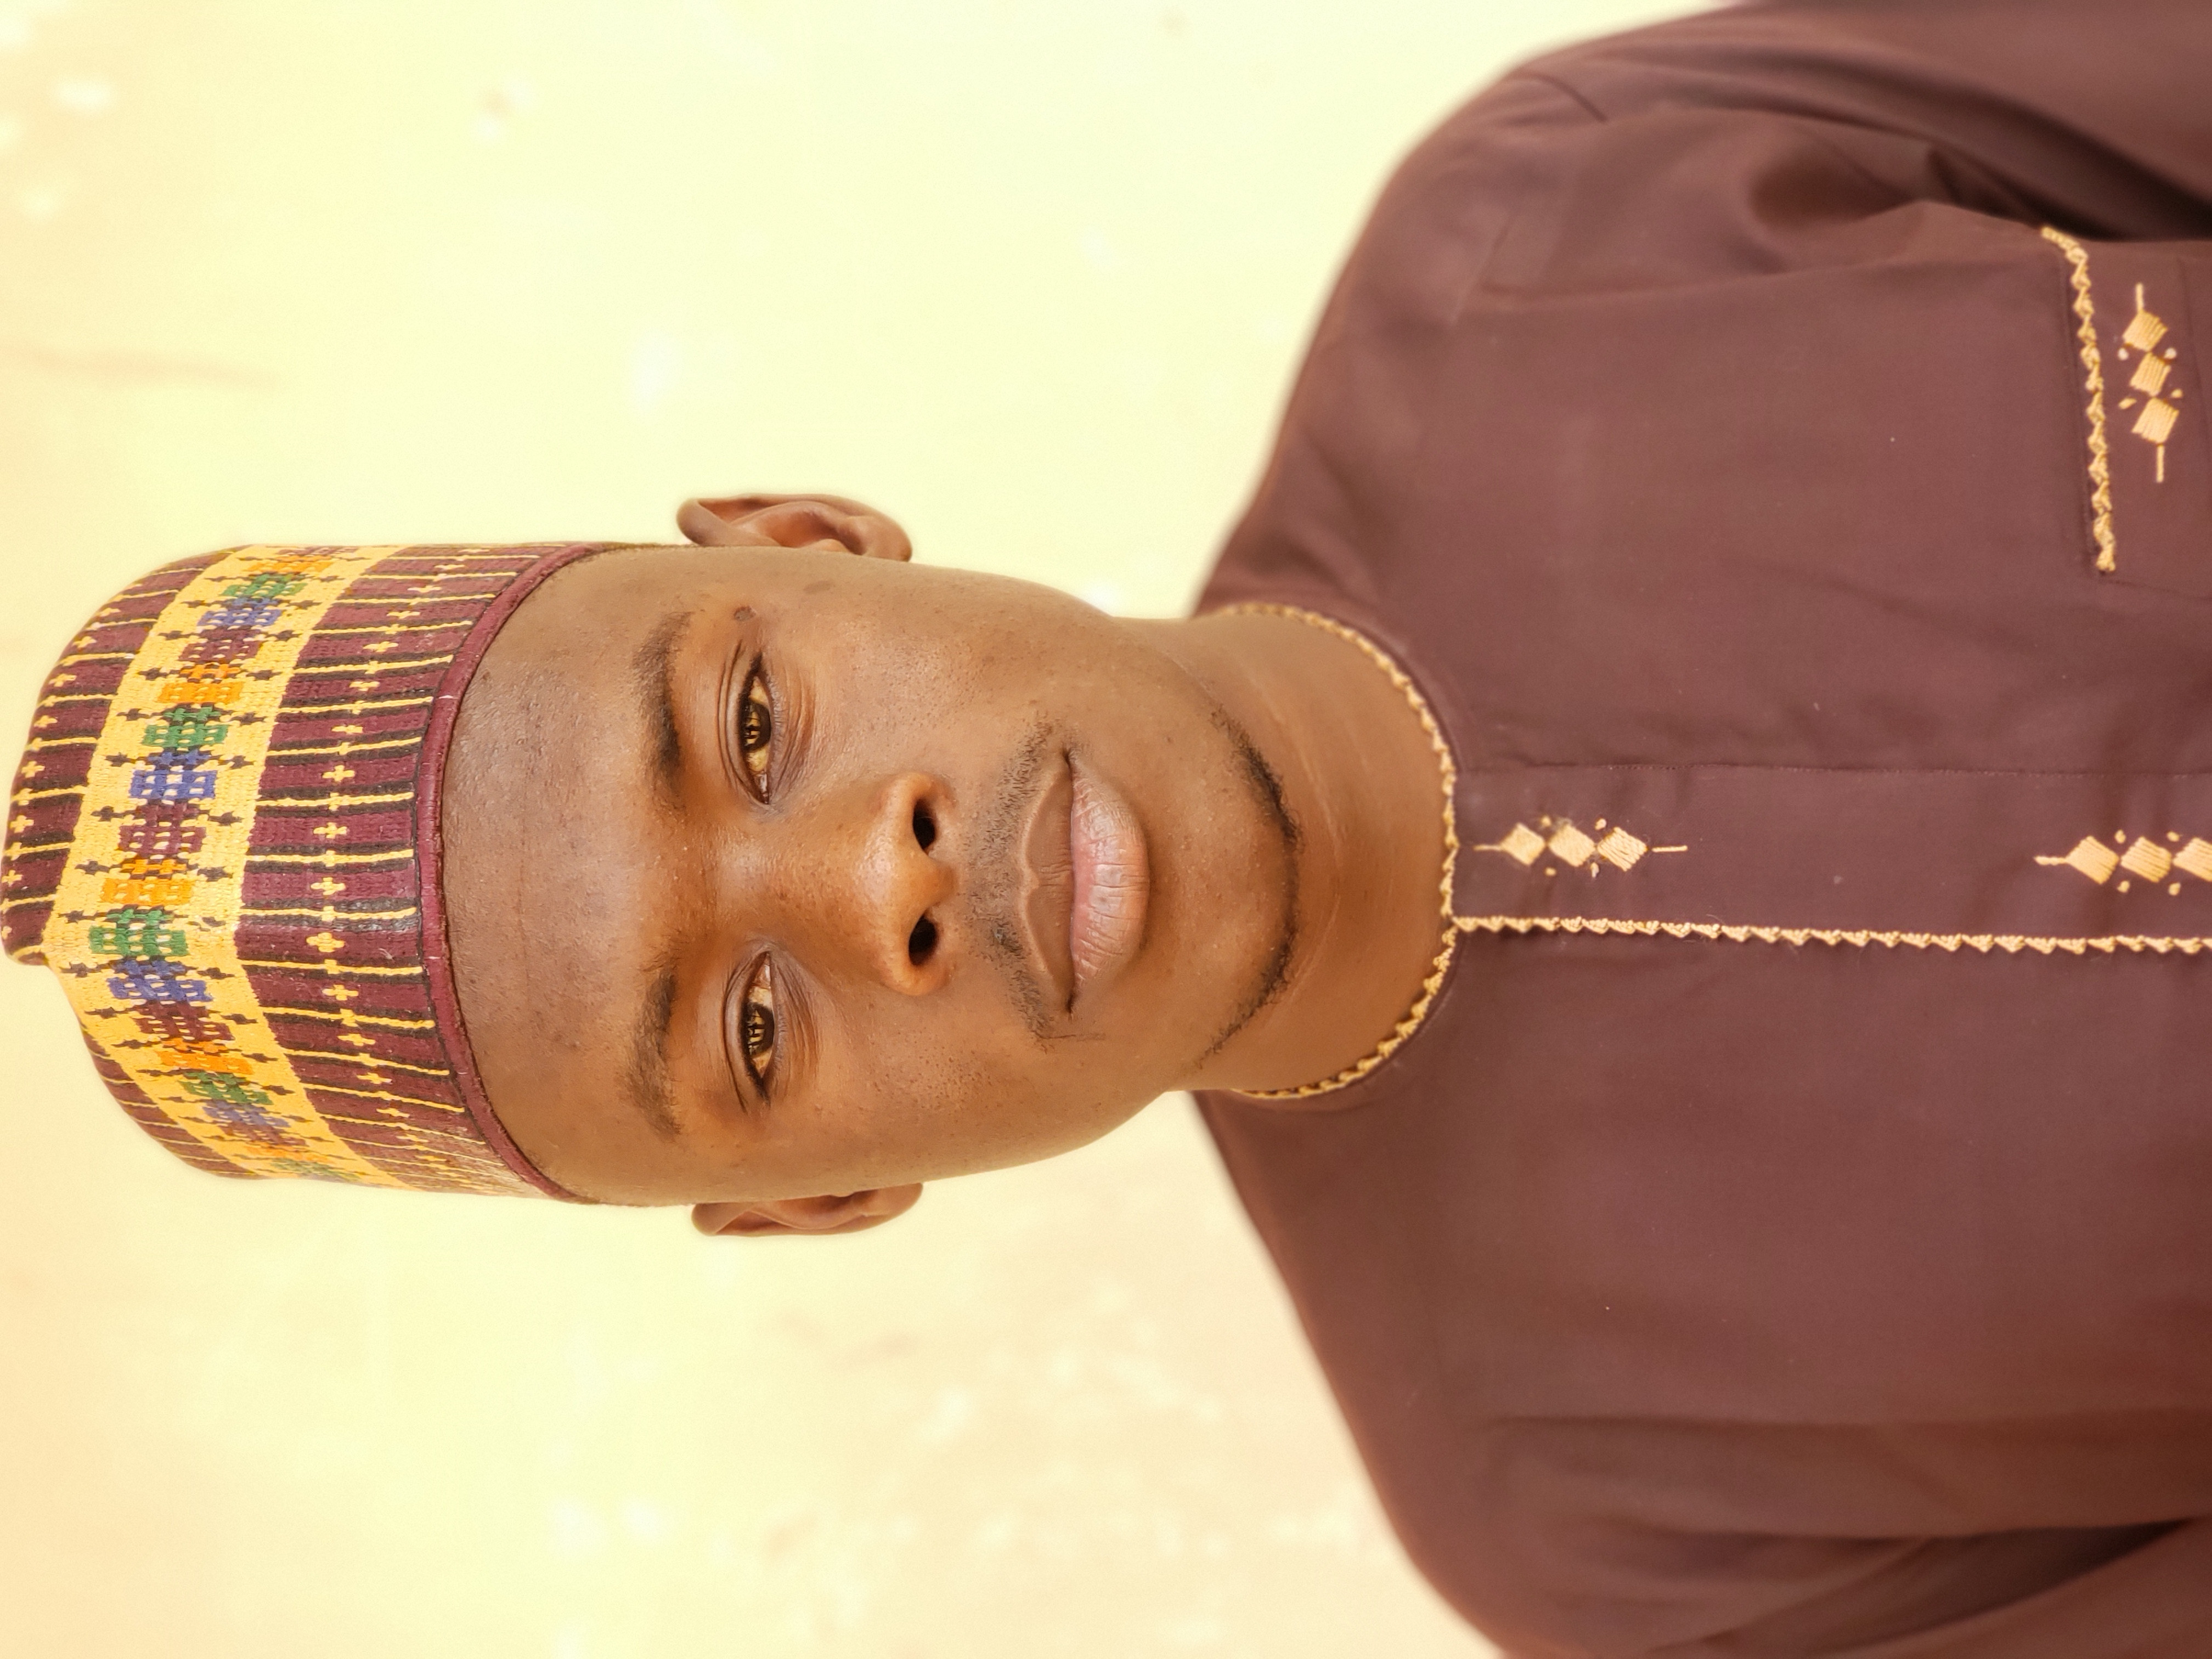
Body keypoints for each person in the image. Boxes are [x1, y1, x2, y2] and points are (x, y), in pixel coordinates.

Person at [7, 0, 2211, 1651]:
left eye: (753, 723)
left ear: (812, 534)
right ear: (826, 1196)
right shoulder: (1595, 1523)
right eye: (753, 1032)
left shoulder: (1563, 222)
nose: (876, 879)